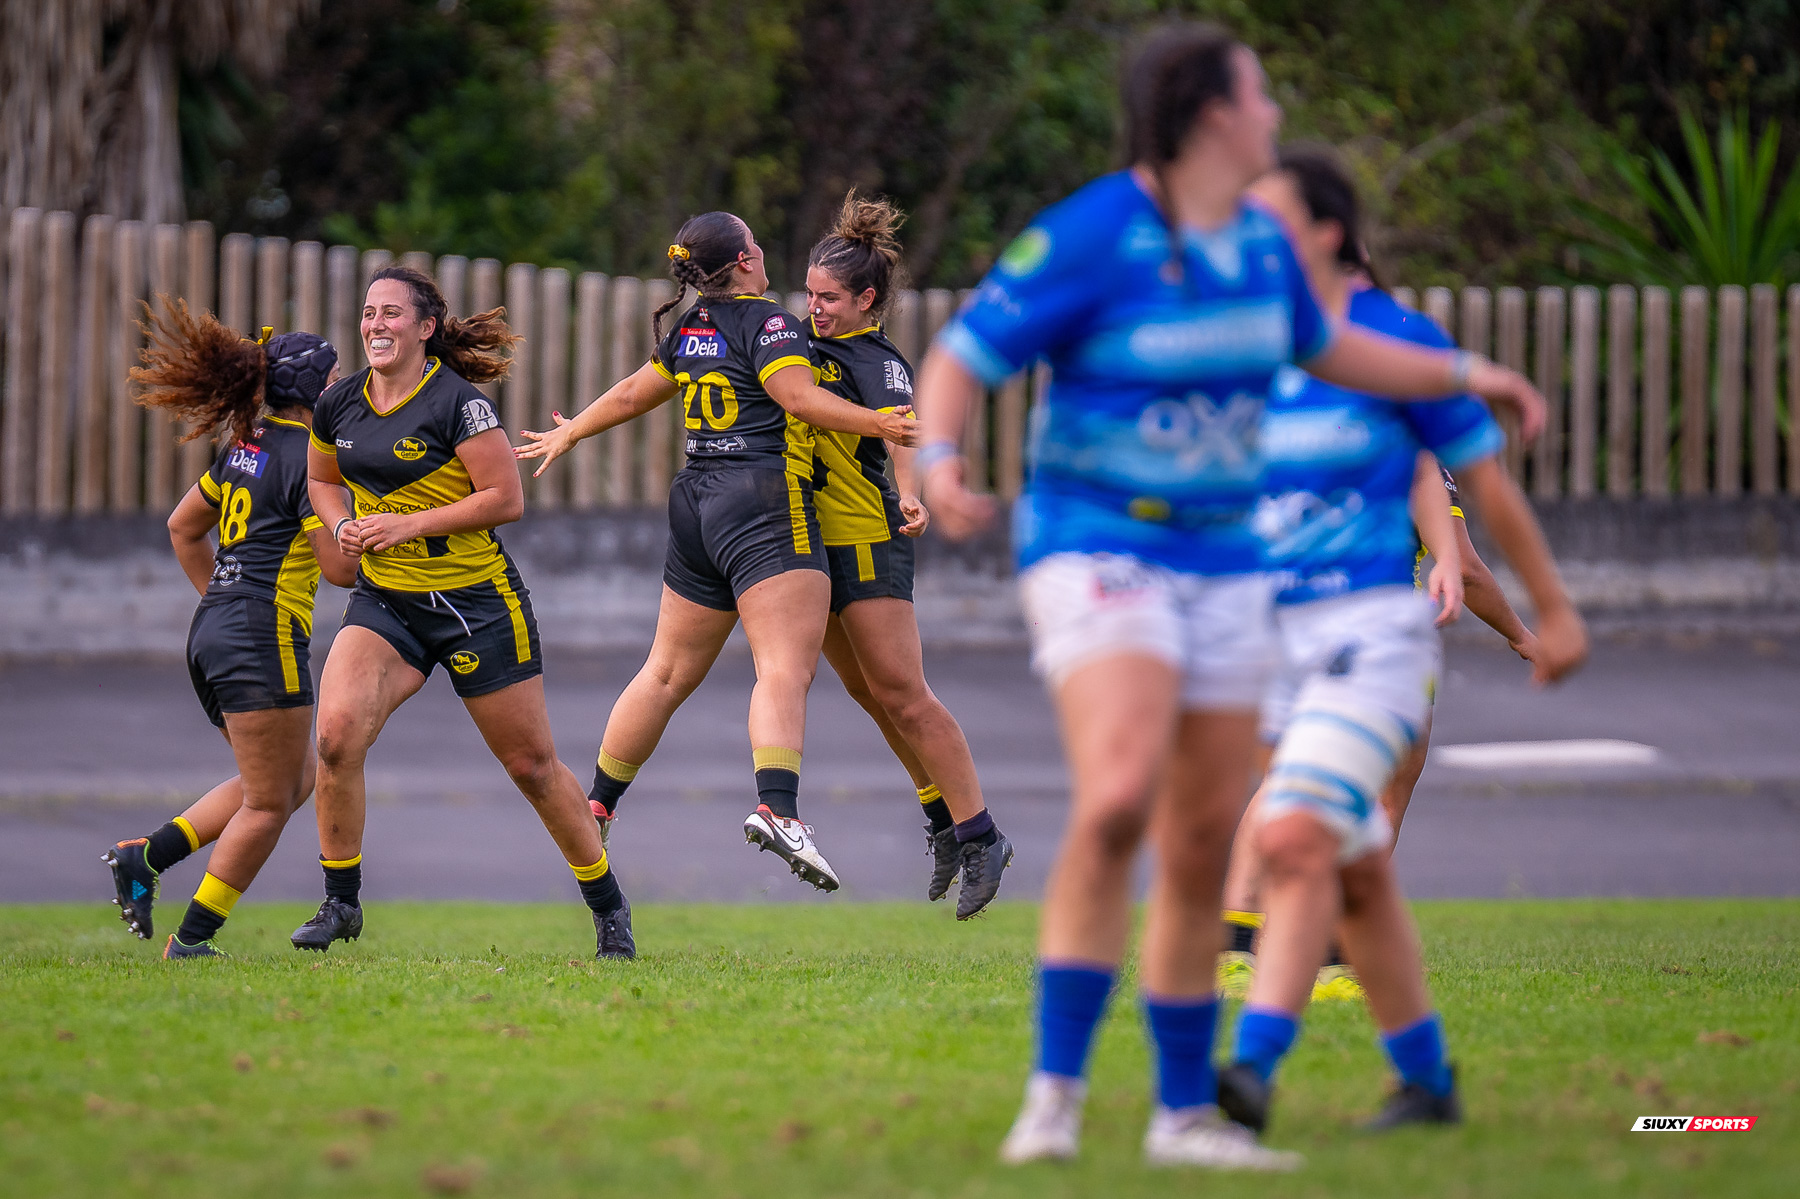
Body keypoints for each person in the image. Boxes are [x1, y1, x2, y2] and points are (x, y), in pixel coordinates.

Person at [913, 23, 1548, 1170]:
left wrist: (1465, 378)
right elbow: (965, 354)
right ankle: (1052, 1098)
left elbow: (1340, 351)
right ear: (1212, 112)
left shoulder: (1261, 247)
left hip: (1221, 562)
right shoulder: (1095, 230)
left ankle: (1181, 1114)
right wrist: (941, 456)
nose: (1273, 111)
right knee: (1117, 799)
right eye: (1259, 92)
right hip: (1098, 548)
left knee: (1205, 838)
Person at [1213, 145, 1587, 1136]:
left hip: (1377, 633)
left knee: (1296, 830)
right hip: (1280, 637)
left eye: (1273, 222)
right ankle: (1426, 1081)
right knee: (1361, 863)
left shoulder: (1390, 339)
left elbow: (1472, 479)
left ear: (1326, 235)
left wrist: (1547, 610)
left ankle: (1248, 1070)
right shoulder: (1260, 343)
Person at [514, 212, 919, 892]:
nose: (764, 253)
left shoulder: (692, 329)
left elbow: (633, 392)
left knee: (665, 673)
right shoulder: (771, 324)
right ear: (743, 262)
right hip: (760, 499)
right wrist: (875, 421)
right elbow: (797, 396)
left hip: (695, 502)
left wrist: (574, 430)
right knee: (784, 667)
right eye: (756, 245)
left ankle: (598, 804)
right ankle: (779, 808)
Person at [298, 266, 634, 959]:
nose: (375, 325)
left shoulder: (458, 404)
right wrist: (341, 529)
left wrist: (404, 524)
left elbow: (504, 498)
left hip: (476, 604)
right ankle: (341, 902)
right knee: (333, 737)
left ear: (425, 328)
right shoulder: (338, 405)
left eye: (392, 313)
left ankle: (608, 906)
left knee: (532, 767)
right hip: (387, 601)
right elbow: (322, 478)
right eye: (368, 313)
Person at [1219, 457, 1541, 1000]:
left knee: (1281, 783)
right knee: (1383, 790)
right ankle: (1328, 958)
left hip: (1285, 627)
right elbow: (1461, 565)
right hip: (1372, 640)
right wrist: (1523, 635)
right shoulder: (1414, 454)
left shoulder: (1305, 423)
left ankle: (1233, 951)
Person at [103, 306, 355, 958]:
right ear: (320, 392)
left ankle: (144, 855)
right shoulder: (308, 459)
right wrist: (370, 526)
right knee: (272, 803)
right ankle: (193, 939)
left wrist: (223, 596)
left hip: (214, 627)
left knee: (282, 781)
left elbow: (182, 528)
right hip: (260, 634)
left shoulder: (246, 445)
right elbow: (339, 569)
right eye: (338, 380)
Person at [802, 191, 1012, 919]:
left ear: (867, 299)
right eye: (810, 294)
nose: (816, 308)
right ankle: (940, 818)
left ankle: (982, 833)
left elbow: (904, 431)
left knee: (906, 694)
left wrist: (912, 492)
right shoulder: (801, 344)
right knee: (868, 690)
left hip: (865, 538)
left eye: (830, 298)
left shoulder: (876, 360)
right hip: (809, 547)